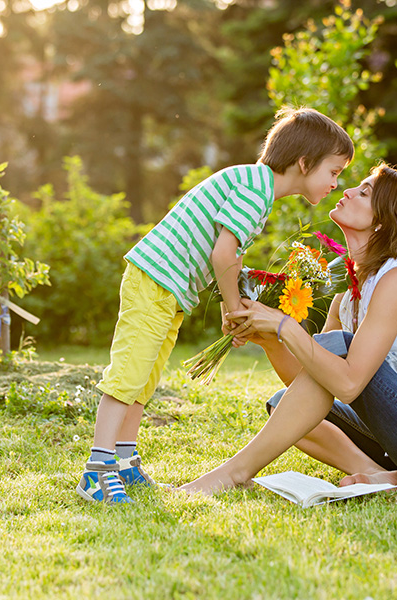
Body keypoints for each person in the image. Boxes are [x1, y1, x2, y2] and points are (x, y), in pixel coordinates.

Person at [77, 107, 355, 503]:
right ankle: (97, 469)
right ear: (304, 163)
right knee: (129, 371)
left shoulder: (255, 186)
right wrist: (234, 307)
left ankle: (124, 460)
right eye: (334, 171)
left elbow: (231, 254)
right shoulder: (256, 188)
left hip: (167, 287)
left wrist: (233, 305)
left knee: (145, 376)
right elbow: (223, 254)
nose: (335, 182)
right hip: (155, 280)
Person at [180, 164, 397, 494]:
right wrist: (270, 340)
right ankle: (376, 473)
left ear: (384, 221)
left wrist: (285, 326)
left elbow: (347, 384)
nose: (347, 191)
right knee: (283, 405)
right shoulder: (348, 296)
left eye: (364, 192)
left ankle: (234, 473)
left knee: (339, 344)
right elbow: (313, 380)